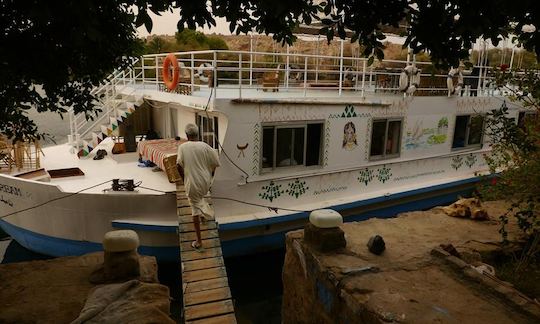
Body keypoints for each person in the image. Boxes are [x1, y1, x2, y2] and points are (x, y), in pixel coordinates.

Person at [176, 123, 220, 251]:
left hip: (193, 184)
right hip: (205, 183)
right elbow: (216, 163)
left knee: (194, 208)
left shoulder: (183, 147)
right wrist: (210, 176)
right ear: (197, 134)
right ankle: (203, 216)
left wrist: (184, 179)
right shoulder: (205, 146)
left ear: (186, 135)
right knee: (200, 197)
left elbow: (178, 165)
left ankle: (199, 241)